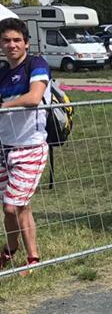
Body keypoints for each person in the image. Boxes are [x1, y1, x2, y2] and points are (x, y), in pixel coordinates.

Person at [0, 17, 51, 273]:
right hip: (4, 147)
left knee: (14, 205)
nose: (12, 45)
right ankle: (16, 252)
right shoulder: (2, 72)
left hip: (30, 146)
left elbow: (34, 97)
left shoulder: (36, 64)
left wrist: (4, 105)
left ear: (27, 43)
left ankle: (28, 256)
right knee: (11, 207)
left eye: (17, 40)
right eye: (6, 40)